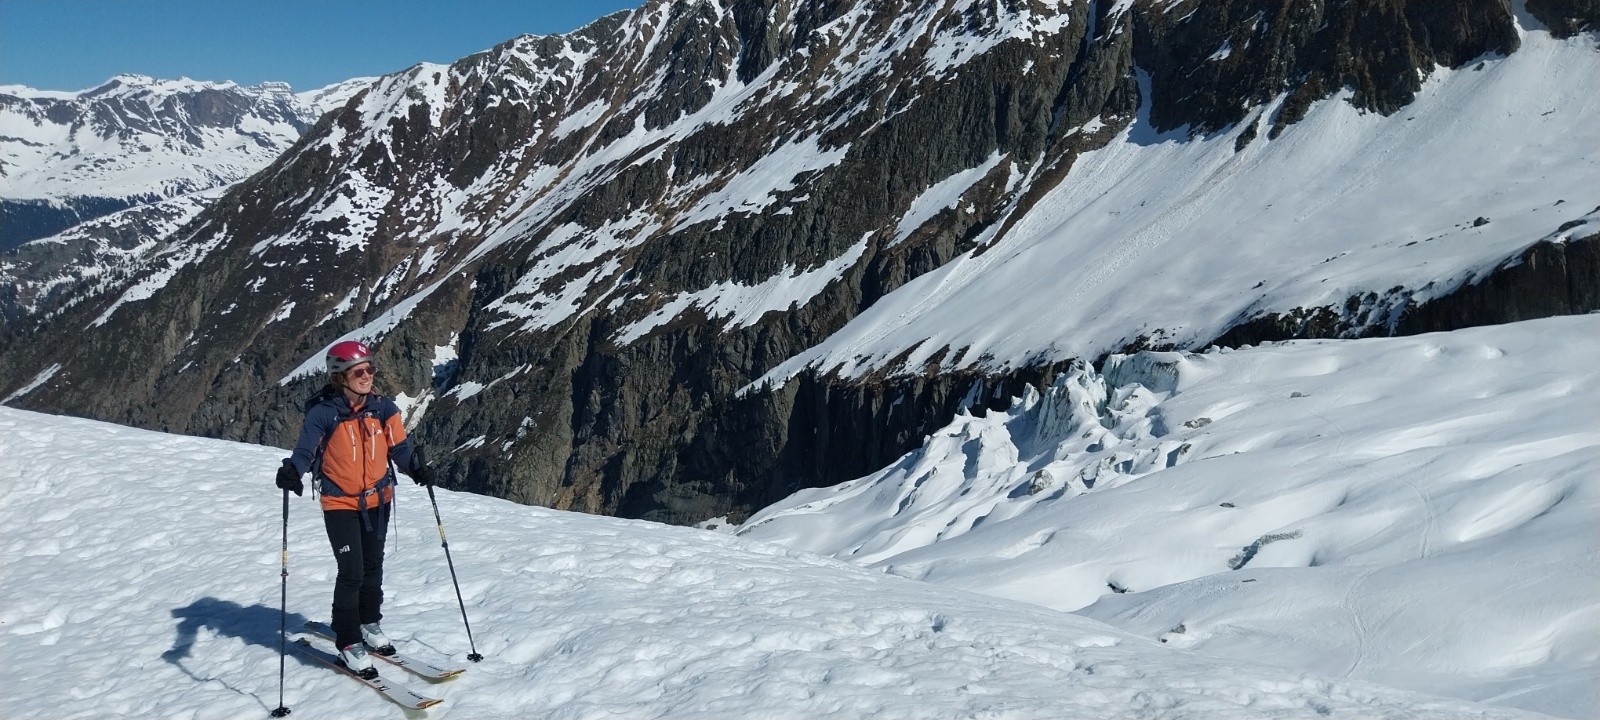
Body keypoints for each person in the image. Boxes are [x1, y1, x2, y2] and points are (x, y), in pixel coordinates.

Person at [274, 340, 437, 679]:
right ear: (340, 376)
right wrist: (293, 470)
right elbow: (305, 452)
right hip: (340, 503)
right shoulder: (323, 413)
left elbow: (400, 449)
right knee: (352, 572)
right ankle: (348, 640)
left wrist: (416, 468)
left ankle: (368, 622)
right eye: (358, 371)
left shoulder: (384, 409)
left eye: (370, 369)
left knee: (373, 565)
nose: (367, 376)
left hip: (380, 499)